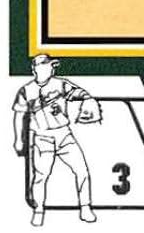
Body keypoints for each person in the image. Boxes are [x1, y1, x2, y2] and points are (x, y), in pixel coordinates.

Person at [13, 54, 99, 225]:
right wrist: (18, 139)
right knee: (40, 176)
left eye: (51, 66)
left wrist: (88, 100)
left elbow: (79, 93)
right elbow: (18, 115)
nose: (51, 68)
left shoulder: (60, 84)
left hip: (64, 135)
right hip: (42, 137)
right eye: (46, 65)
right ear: (36, 69)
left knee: (82, 170)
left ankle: (85, 207)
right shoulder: (26, 90)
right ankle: (38, 211)